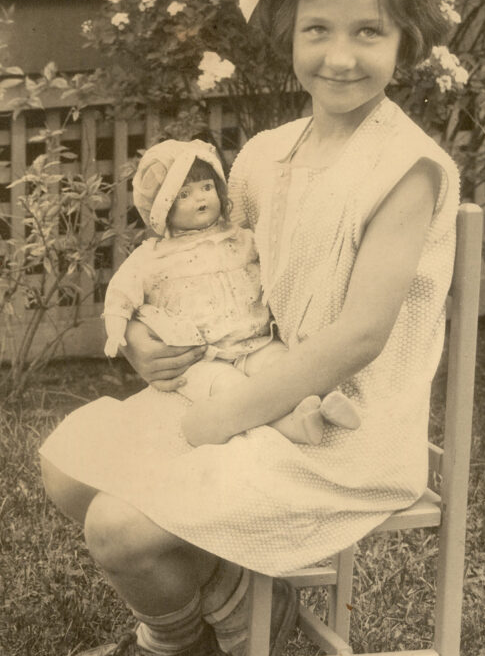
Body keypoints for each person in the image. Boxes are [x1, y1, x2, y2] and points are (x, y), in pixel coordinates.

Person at [39, 0, 460, 656]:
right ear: (288, 32)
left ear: (406, 40)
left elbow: (359, 335)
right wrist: (153, 344)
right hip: (249, 380)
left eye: (368, 32)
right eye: (318, 29)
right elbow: (221, 273)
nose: (340, 56)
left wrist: (230, 411)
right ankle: (198, 632)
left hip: (338, 425)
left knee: (119, 527)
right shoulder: (268, 153)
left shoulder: (406, 167)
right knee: (68, 467)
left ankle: (229, 640)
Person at [102, 137, 361, 445]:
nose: (200, 197)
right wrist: (117, 331)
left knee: (284, 368)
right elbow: (121, 293)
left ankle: (327, 402)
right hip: (201, 359)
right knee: (233, 390)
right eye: (184, 194)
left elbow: (279, 258)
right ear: (163, 209)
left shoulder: (243, 239)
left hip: (256, 341)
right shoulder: (152, 256)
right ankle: (293, 424)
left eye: (207, 187)